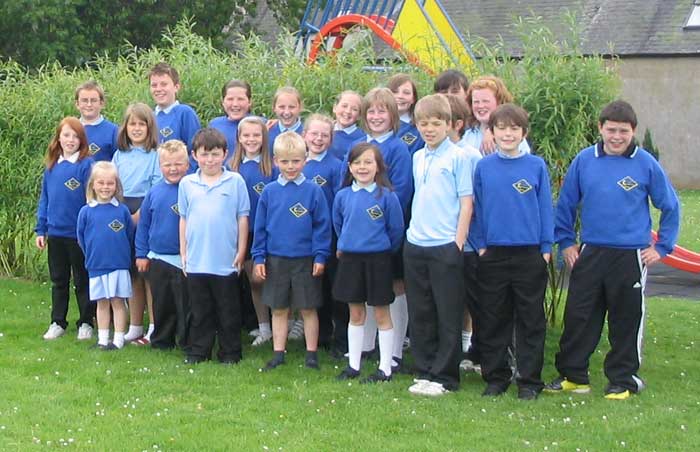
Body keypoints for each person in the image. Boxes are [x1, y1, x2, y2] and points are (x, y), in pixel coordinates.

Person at [546, 100, 680, 400]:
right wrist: (566, 242)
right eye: (611, 130)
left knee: (625, 318)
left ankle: (623, 379)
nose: (616, 137)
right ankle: (573, 376)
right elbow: (566, 204)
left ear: (633, 131)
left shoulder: (645, 163)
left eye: (623, 131)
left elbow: (670, 205)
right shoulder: (584, 160)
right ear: (600, 129)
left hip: (629, 255)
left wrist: (662, 247)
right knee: (579, 316)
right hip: (591, 252)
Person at [472, 103, 553, 400]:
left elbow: (546, 208)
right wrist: (480, 245)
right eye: (502, 128)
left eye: (514, 129)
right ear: (492, 132)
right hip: (492, 254)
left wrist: (545, 248)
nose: (508, 134)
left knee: (531, 320)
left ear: (524, 133)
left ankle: (529, 381)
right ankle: (496, 377)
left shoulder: (536, 166)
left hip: (529, 254)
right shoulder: (484, 167)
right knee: (493, 318)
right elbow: (476, 210)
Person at [404, 93, 473, 397]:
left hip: (445, 244)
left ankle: (445, 377)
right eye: (423, 124)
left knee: (447, 313)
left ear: (448, 124)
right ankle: (425, 370)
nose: (429, 129)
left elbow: (466, 204)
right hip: (416, 243)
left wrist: (457, 244)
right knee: (421, 311)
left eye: (435, 123)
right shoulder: (418, 156)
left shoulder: (459, 157)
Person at [345, 87, 412, 373]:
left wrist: (380, 228)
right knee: (363, 294)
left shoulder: (398, 148)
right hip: (358, 240)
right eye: (370, 111)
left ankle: (394, 351)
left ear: (393, 114)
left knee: (392, 289)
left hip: (385, 235)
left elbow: (402, 191)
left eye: (382, 111)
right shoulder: (359, 144)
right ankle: (365, 346)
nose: (375, 116)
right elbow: (344, 192)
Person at [252, 131, 331, 372]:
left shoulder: (313, 191)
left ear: (305, 160)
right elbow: (260, 227)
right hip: (276, 258)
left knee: (307, 307)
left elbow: (322, 226)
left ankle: (311, 353)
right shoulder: (270, 192)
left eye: (296, 161)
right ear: (275, 161)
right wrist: (258, 257)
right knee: (279, 308)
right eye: (284, 161)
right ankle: (278, 352)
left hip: (305, 258)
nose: (290, 166)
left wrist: (320, 255)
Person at [334, 143, 404, 383]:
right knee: (355, 312)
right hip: (351, 259)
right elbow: (339, 225)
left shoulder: (387, 197)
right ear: (350, 168)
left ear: (378, 167)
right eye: (357, 163)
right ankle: (353, 365)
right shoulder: (343, 196)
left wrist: (380, 249)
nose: (362, 167)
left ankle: (385, 367)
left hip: (379, 260)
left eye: (368, 162)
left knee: (382, 313)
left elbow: (396, 231)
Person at [178, 128, 250, 365]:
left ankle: (230, 352)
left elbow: (242, 218)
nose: (210, 160)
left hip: (226, 260)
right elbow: (184, 219)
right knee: (200, 311)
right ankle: (199, 350)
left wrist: (241, 251)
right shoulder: (187, 183)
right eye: (205, 154)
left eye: (215, 154)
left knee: (228, 311)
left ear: (225, 154)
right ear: (194, 156)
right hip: (197, 260)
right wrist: (184, 252)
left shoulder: (235, 181)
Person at [36, 117, 95, 341]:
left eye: (75, 136)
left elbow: (91, 200)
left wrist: (88, 231)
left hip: (78, 236)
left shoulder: (86, 165)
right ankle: (57, 321)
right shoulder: (52, 166)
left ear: (82, 140)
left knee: (82, 279)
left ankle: (86, 322)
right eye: (66, 135)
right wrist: (41, 229)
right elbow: (45, 199)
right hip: (56, 234)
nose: (71, 140)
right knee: (59, 280)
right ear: (59, 137)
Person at [112, 102, 162, 345]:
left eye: (142, 124)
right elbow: (113, 186)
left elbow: (155, 188)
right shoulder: (119, 155)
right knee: (132, 273)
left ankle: (154, 326)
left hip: (146, 212)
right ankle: (134, 325)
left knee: (147, 272)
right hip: (123, 210)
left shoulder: (155, 155)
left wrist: (138, 216)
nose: (137, 128)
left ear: (149, 127)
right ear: (126, 127)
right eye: (132, 124)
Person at [135, 139, 191, 351]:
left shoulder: (192, 189)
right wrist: (141, 254)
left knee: (186, 304)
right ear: (160, 167)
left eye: (178, 164)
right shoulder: (154, 192)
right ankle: (161, 341)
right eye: (168, 165)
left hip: (185, 259)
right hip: (159, 258)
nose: (173, 169)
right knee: (162, 303)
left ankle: (187, 341)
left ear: (187, 164)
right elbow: (143, 226)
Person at [228, 116, 277, 347]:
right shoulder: (231, 167)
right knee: (253, 280)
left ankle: (285, 324)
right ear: (238, 138)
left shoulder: (271, 168)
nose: (251, 139)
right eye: (246, 135)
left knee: (270, 279)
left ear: (264, 137)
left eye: (256, 135)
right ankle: (263, 327)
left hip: (265, 231)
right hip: (240, 233)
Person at [76, 162, 134, 350]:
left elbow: (129, 236)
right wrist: (92, 257)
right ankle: (102, 339)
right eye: (101, 183)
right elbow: (81, 238)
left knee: (118, 302)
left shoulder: (122, 210)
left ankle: (117, 339)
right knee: (102, 303)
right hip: (96, 265)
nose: (105, 187)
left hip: (118, 265)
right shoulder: (86, 211)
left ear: (116, 185)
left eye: (110, 183)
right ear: (93, 184)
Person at [445, 94, 483, 372]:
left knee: (474, 300)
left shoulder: (471, 155)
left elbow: (475, 200)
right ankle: (453, 350)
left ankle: (476, 350)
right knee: (447, 301)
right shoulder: (425, 153)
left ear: (456, 124)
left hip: (467, 243)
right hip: (438, 241)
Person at [302, 113, 343, 351]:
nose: (318, 139)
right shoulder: (298, 163)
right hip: (304, 237)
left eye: (324, 135)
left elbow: (339, 201)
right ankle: (320, 335)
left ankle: (340, 337)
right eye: (314, 134)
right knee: (314, 288)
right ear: (304, 135)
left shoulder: (336, 166)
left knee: (334, 287)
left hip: (329, 235)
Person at [148, 62, 201, 171]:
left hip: (178, 179)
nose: (158, 89)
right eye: (154, 85)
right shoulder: (149, 117)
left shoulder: (185, 113)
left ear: (176, 87)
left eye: (164, 84)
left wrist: (185, 178)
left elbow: (196, 152)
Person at [463, 76, 530, 155]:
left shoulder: (511, 136)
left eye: (485, 101)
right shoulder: (467, 136)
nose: (480, 106)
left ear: (499, 102)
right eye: (476, 102)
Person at [209, 80, 253, 166]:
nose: (235, 104)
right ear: (223, 102)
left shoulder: (261, 125)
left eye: (240, 99)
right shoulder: (215, 125)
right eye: (230, 99)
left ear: (249, 101)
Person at [74, 80, 119, 162]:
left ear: (102, 103)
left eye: (93, 100)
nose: (89, 105)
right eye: (84, 100)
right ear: (77, 104)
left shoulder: (114, 131)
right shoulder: (70, 129)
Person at [388, 73, 425, 156]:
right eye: (395, 92)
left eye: (406, 93)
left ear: (413, 99)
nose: (400, 96)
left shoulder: (418, 128)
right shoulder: (376, 123)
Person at [328, 90, 365, 160]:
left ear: (359, 115)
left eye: (354, 109)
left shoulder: (362, 138)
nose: (348, 111)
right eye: (344, 106)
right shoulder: (324, 131)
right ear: (335, 108)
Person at [267, 86, 304, 156]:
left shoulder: (307, 133)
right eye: (281, 107)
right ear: (274, 107)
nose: (286, 112)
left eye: (292, 107)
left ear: (300, 107)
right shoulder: (267, 131)